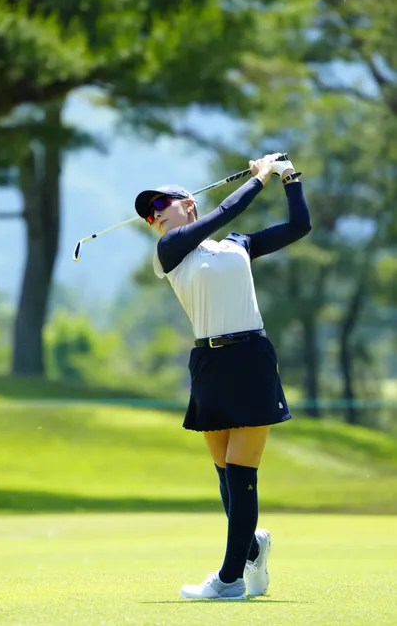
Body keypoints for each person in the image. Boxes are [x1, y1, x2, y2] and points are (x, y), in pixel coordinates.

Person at [134, 153, 311, 600]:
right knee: (226, 479)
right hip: (208, 363)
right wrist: (259, 178)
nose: (155, 216)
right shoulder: (170, 251)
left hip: (250, 357)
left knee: (241, 474)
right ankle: (252, 549)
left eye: (160, 204)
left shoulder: (238, 245)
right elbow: (225, 211)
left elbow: (299, 227)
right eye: (149, 215)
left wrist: (288, 177)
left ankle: (230, 580)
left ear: (187, 203)